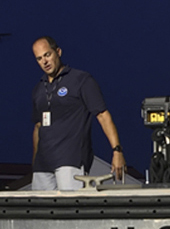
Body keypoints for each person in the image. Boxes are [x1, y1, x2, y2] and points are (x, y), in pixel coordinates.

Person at [30, 37, 125, 190]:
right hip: (43, 166)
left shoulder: (81, 80)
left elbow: (102, 115)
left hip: (71, 160)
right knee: (42, 212)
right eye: (39, 58)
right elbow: (38, 127)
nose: (44, 61)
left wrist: (117, 150)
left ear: (58, 52)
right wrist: (35, 163)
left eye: (47, 55)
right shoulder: (39, 89)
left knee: (69, 211)